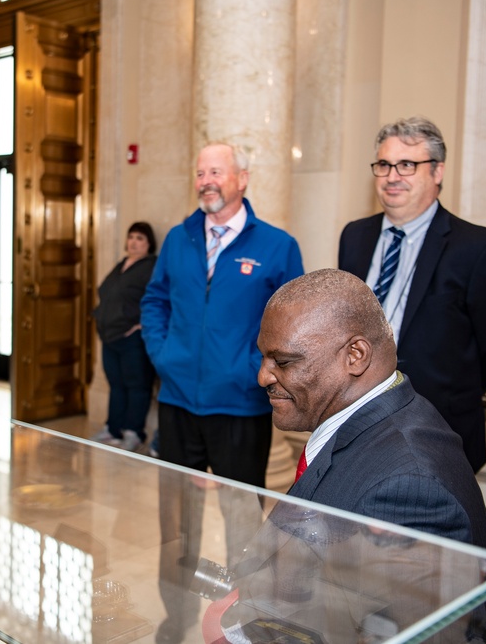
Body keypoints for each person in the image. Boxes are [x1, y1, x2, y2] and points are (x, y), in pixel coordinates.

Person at [140, 141, 304, 643]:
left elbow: (293, 326)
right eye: (200, 171)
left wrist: (255, 370)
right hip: (177, 403)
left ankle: (242, 620)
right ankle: (177, 616)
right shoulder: (177, 238)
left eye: (217, 171)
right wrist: (164, 355)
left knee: (242, 524)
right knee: (176, 525)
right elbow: (155, 301)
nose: (206, 179)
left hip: (240, 406)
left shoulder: (277, 246)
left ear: (242, 179)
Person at [258, 269, 486, 549]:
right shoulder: (377, 417)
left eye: (284, 361)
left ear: (355, 356)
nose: (263, 377)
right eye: (263, 357)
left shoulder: (407, 489)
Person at [338, 116, 486, 472]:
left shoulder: (480, 248)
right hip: (356, 427)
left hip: (438, 431)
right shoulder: (354, 237)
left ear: (437, 172)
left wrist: (454, 389)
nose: (393, 176)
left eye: (407, 165)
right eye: (384, 164)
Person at [91, 222, 158, 452]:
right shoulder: (122, 264)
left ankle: (134, 432)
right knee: (116, 384)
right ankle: (113, 428)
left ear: (149, 244)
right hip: (111, 336)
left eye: (140, 238)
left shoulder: (151, 266)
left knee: (137, 385)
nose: (134, 242)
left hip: (132, 339)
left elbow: (158, 299)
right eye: (131, 237)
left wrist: (140, 324)